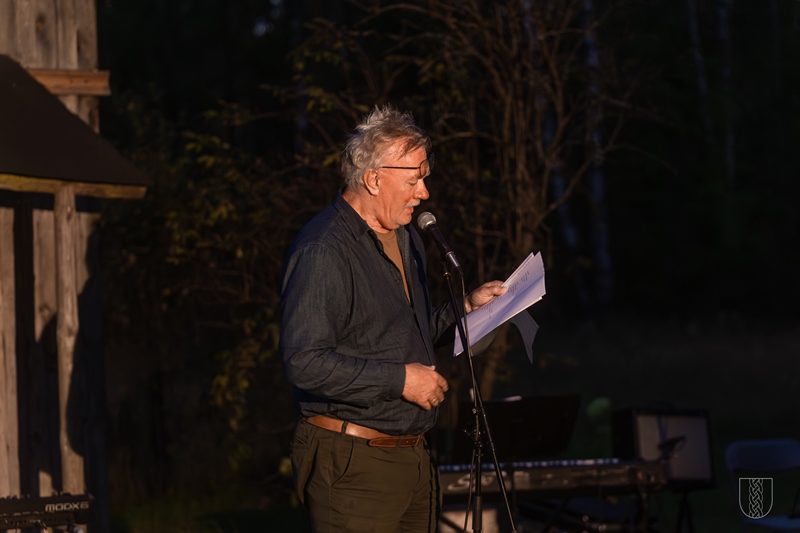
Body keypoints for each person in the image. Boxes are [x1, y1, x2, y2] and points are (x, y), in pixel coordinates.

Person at [279, 105, 506, 532]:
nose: (424, 192)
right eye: (414, 179)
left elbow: (403, 332)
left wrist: (465, 308)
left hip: (414, 457)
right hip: (353, 462)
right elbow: (304, 362)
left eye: (425, 176)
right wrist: (400, 380)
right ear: (373, 179)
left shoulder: (405, 238)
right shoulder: (323, 250)